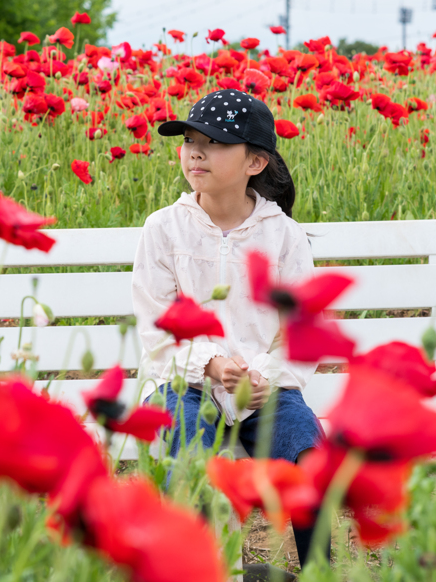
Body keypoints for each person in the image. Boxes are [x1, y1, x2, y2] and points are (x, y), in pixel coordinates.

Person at [131, 88, 330, 569]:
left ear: (255, 163)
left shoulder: (282, 235)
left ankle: (321, 574)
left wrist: (262, 375)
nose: (196, 151)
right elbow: (157, 324)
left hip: (267, 388)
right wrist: (211, 364)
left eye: (216, 143)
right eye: (189, 140)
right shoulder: (163, 229)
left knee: (308, 455)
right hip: (184, 383)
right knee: (192, 458)